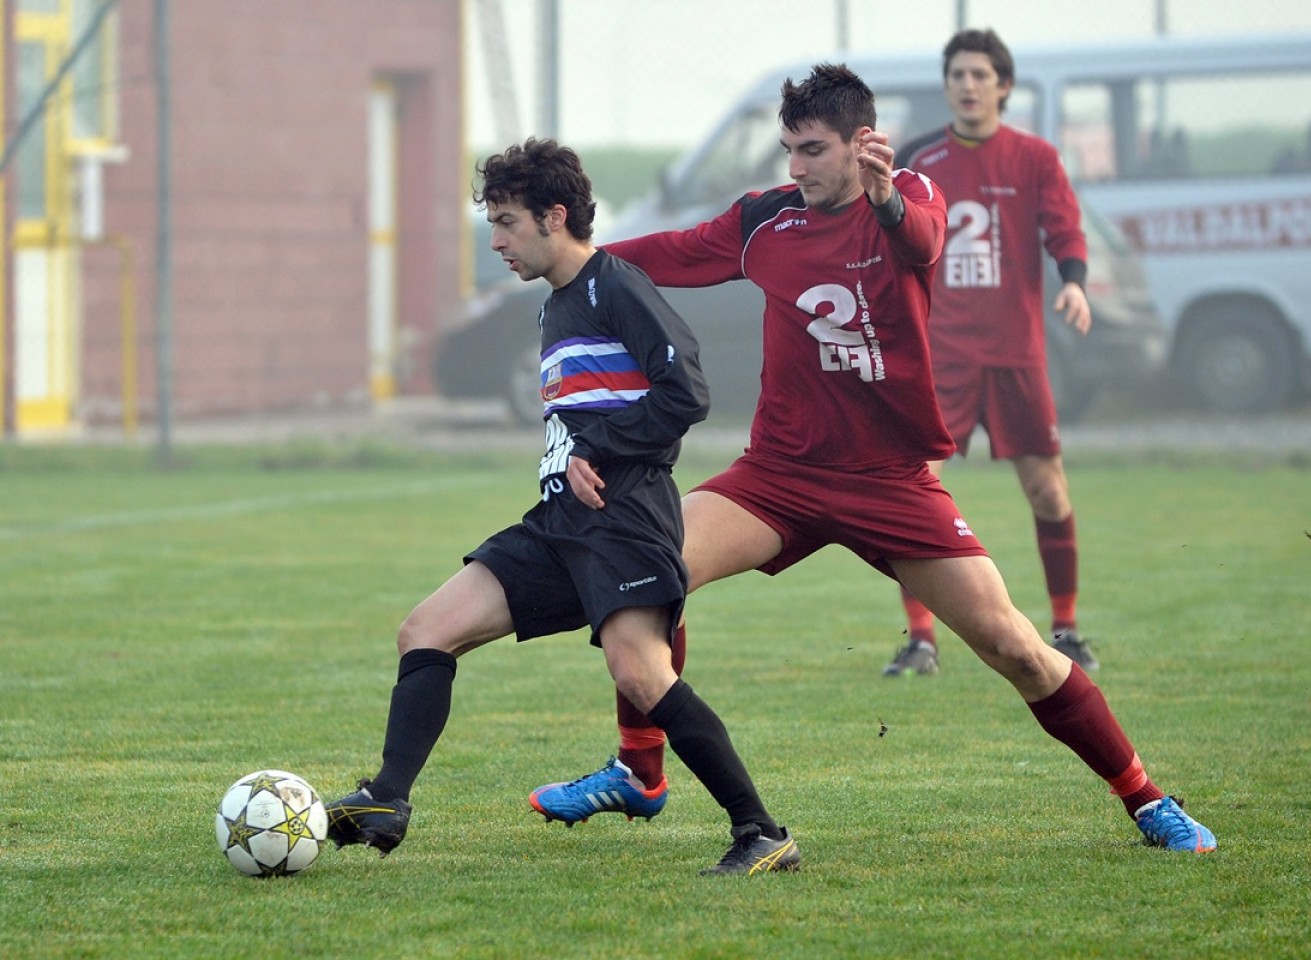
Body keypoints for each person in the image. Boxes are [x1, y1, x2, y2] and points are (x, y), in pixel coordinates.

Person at [528, 65, 1217, 855]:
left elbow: (921, 240)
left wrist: (887, 199)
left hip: (890, 481)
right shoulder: (765, 221)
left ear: (864, 145)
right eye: (789, 149)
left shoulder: (914, 197)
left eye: (813, 150)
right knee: (648, 571)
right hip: (779, 476)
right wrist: (570, 254)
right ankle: (640, 773)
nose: (796, 168)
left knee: (1014, 647)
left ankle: (1146, 799)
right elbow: (664, 254)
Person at [325, 138, 798, 877]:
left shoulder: (618, 286)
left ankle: (761, 831)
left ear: (554, 216)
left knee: (641, 674)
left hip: (625, 516)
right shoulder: (555, 306)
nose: (497, 240)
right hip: (559, 525)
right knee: (426, 630)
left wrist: (600, 448)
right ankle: (387, 799)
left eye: (508, 222)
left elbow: (687, 393)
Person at [884, 28, 1097, 678]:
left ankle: (1066, 629)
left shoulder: (1034, 158)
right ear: (947, 87)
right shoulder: (920, 160)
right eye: (958, 76)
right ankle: (921, 640)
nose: (968, 86)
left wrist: (1076, 284)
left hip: (1015, 356)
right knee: (913, 493)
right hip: (940, 355)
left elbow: (1064, 227)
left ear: (1003, 86)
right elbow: (887, 231)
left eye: (980, 75)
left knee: (1047, 492)